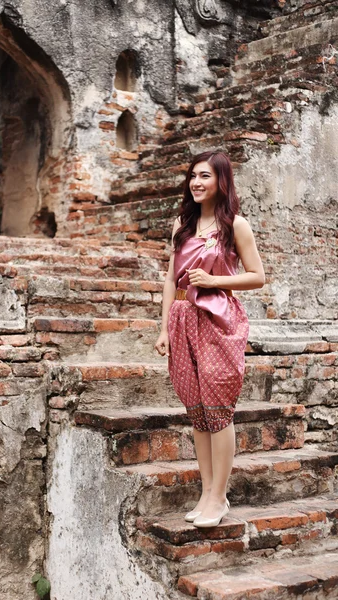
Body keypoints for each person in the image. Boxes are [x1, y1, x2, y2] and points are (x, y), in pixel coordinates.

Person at [154, 150, 265, 528]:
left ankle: (220, 495)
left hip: (219, 321)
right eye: (193, 176)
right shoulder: (181, 225)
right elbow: (170, 281)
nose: (197, 183)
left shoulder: (236, 225)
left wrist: (215, 280)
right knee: (197, 412)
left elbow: (257, 276)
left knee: (218, 409)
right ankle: (205, 492)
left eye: (205, 176)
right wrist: (164, 328)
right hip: (183, 319)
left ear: (221, 181)